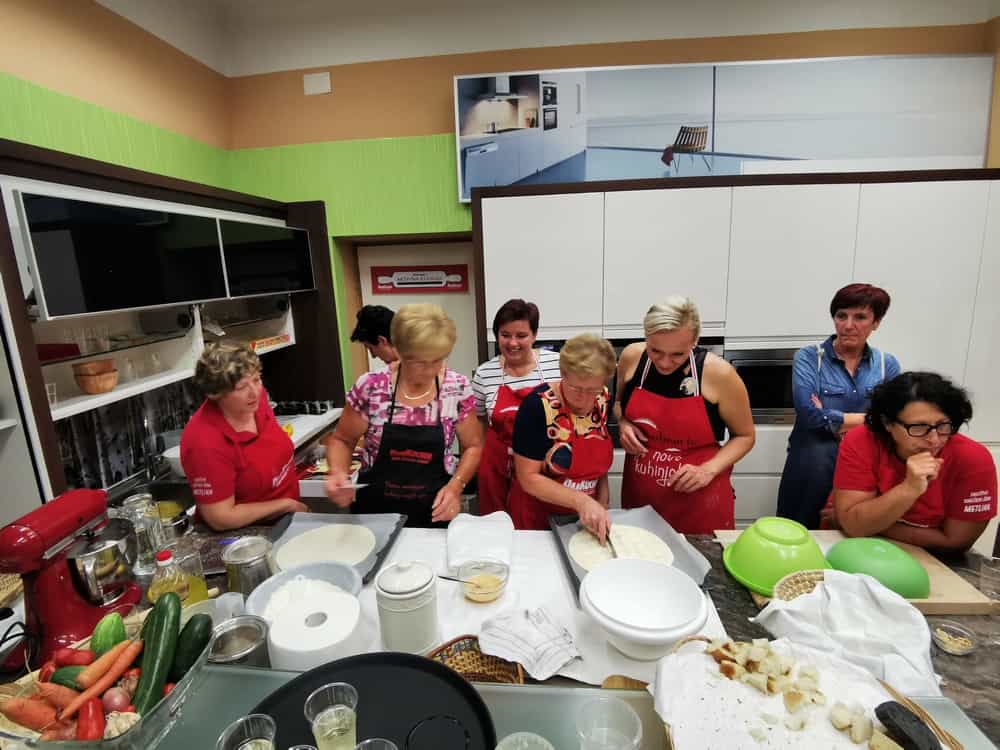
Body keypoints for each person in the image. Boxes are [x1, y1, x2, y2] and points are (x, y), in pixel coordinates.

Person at [325, 303, 483, 527]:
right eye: (419, 362)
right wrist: (338, 472)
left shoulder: (456, 387)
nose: (431, 370)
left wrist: (456, 486)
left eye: (438, 360)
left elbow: (473, 446)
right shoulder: (371, 387)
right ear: (399, 350)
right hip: (375, 513)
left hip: (434, 512)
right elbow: (342, 439)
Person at [616, 297, 754, 534]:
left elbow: (745, 436)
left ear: (695, 341)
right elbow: (618, 404)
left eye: (677, 354)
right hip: (641, 494)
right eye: (655, 350)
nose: (665, 363)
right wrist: (623, 423)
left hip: (699, 498)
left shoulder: (719, 374)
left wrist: (708, 469)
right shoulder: (631, 358)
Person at [826, 372, 997, 551]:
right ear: (887, 423)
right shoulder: (862, 440)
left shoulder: (973, 459)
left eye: (942, 425)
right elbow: (854, 527)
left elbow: (956, 542)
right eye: (919, 427)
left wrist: (870, 524)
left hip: (934, 558)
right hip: (856, 548)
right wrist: (909, 489)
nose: (934, 439)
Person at [777, 284, 900, 528]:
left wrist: (833, 417)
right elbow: (810, 415)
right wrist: (869, 419)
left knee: (852, 529)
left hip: (863, 466)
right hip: (812, 463)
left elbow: (894, 420)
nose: (848, 325)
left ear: (876, 322)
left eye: (860, 317)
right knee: (798, 529)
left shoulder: (886, 365)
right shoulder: (810, 358)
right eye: (841, 316)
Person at [180, 342, 308, 531]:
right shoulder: (204, 441)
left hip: (287, 520)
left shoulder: (254, 401)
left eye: (256, 380)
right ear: (216, 393)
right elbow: (220, 518)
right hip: (246, 535)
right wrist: (286, 505)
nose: (254, 392)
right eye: (241, 387)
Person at [510, 334, 616, 539]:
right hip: (538, 520)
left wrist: (602, 503)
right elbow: (528, 478)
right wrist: (582, 501)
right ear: (562, 374)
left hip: (583, 519)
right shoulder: (537, 407)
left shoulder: (603, 400)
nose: (583, 398)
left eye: (592, 390)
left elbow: (598, 467)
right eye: (575, 388)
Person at [472, 299, 561, 514]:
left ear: (534, 335)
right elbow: (480, 422)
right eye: (505, 335)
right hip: (498, 471)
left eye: (521, 335)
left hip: (544, 467)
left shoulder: (557, 365)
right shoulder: (484, 374)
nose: (513, 343)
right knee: (496, 525)